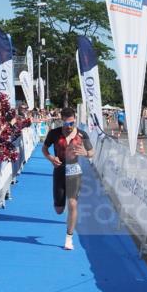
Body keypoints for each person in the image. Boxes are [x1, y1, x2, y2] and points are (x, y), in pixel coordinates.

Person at [41, 107, 94, 250]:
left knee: (72, 204)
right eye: (66, 124)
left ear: (74, 120)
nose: (69, 127)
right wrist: (51, 158)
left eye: (72, 123)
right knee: (59, 209)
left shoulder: (82, 134)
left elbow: (91, 152)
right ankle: (65, 209)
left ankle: (69, 238)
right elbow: (44, 149)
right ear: (61, 121)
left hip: (74, 171)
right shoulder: (54, 133)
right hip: (59, 170)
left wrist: (86, 153)